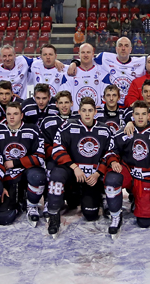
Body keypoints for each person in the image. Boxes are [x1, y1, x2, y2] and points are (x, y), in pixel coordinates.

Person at [48, 97, 116, 236]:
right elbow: (57, 150)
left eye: (90, 110)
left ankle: (99, 196)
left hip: (92, 177)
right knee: (56, 175)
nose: (87, 114)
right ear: (79, 111)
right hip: (73, 172)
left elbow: (110, 153)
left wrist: (98, 173)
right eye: (84, 110)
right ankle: (53, 215)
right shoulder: (68, 126)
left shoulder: (104, 129)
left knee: (91, 214)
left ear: (95, 112)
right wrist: (74, 167)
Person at [104, 100, 150, 234]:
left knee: (145, 222)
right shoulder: (124, 132)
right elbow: (110, 151)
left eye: (143, 114)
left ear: (148, 115)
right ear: (132, 115)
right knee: (111, 179)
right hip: (128, 173)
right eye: (137, 114)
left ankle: (137, 199)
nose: (140, 117)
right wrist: (113, 162)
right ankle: (116, 215)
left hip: (146, 178)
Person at [0, 101, 47, 226]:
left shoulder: (33, 129)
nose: (11, 117)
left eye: (15, 114)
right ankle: (18, 201)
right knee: (5, 218)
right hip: (7, 177)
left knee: (38, 176)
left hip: (27, 173)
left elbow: (40, 157)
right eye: (9, 114)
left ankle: (32, 205)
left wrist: (15, 163)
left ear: (21, 115)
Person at [68, 37, 146, 107]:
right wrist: (74, 63)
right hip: (112, 104)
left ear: (131, 49)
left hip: (131, 105)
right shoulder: (104, 57)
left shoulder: (141, 62)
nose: (123, 48)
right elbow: (87, 59)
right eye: (120, 45)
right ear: (116, 48)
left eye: (126, 46)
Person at [68, 43, 112, 111]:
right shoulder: (70, 71)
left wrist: (102, 106)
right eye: (83, 52)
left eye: (88, 52)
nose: (85, 55)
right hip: (76, 114)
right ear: (79, 54)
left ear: (93, 54)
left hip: (96, 114)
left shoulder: (103, 73)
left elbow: (109, 94)